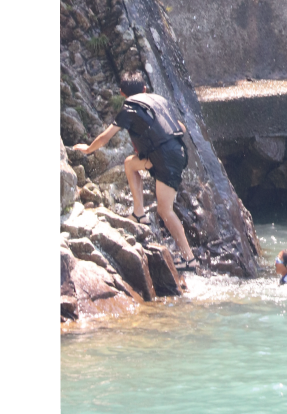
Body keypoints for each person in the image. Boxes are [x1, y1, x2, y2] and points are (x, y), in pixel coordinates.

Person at [72, 72, 198, 271]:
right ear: (144, 89)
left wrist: (88, 149)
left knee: (165, 211)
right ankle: (139, 213)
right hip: (175, 153)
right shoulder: (160, 100)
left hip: (164, 157)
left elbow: (106, 137)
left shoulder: (129, 107)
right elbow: (180, 127)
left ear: (123, 93)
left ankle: (189, 259)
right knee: (130, 163)